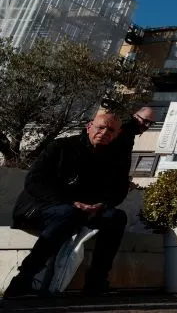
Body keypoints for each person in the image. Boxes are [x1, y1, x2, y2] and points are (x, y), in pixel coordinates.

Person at [5, 108, 132, 298]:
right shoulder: (62, 147)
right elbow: (34, 181)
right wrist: (71, 202)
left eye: (111, 130)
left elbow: (119, 191)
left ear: (118, 133)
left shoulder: (118, 157)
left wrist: (102, 204)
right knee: (68, 213)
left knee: (115, 217)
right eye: (100, 127)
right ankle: (22, 280)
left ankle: (96, 282)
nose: (105, 132)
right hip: (40, 208)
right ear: (89, 127)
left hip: (85, 210)